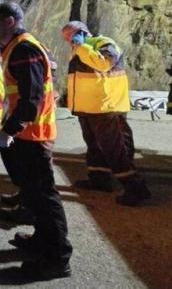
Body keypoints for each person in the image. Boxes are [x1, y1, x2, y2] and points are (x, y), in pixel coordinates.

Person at [0, 3, 72, 280]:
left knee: (45, 198)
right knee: (34, 195)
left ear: (10, 21)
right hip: (28, 135)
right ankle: (42, 241)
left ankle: (58, 258)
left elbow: (31, 100)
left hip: (34, 135)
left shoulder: (24, 49)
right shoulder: (15, 48)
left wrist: (8, 130)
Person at [62, 20, 151, 206]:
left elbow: (103, 65)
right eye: (67, 38)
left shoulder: (104, 44)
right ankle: (99, 180)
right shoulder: (81, 50)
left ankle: (136, 189)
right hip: (89, 108)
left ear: (83, 32)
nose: (69, 41)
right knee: (94, 146)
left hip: (106, 108)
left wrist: (81, 46)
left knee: (117, 150)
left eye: (71, 36)